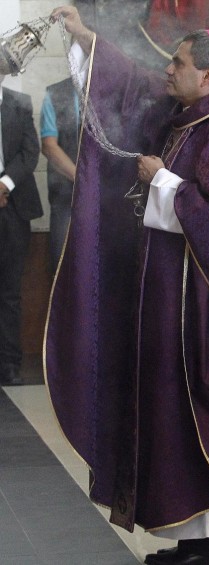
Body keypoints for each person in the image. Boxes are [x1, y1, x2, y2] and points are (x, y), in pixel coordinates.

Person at [47, 7, 209, 564]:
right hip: (177, 299)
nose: (168, 70)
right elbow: (138, 83)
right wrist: (88, 37)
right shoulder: (195, 116)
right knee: (176, 418)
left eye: (179, 62)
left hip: (207, 310)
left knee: (205, 413)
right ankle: (199, 538)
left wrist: (160, 180)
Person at [0, 75, 42, 386]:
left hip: (13, 207)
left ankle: (9, 363)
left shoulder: (20, 102)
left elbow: (30, 151)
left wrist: (4, 183)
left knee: (10, 291)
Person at [40, 77, 80, 273]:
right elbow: (49, 146)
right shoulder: (56, 93)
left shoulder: (115, 91)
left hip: (107, 197)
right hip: (65, 197)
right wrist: (82, 181)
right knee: (61, 263)